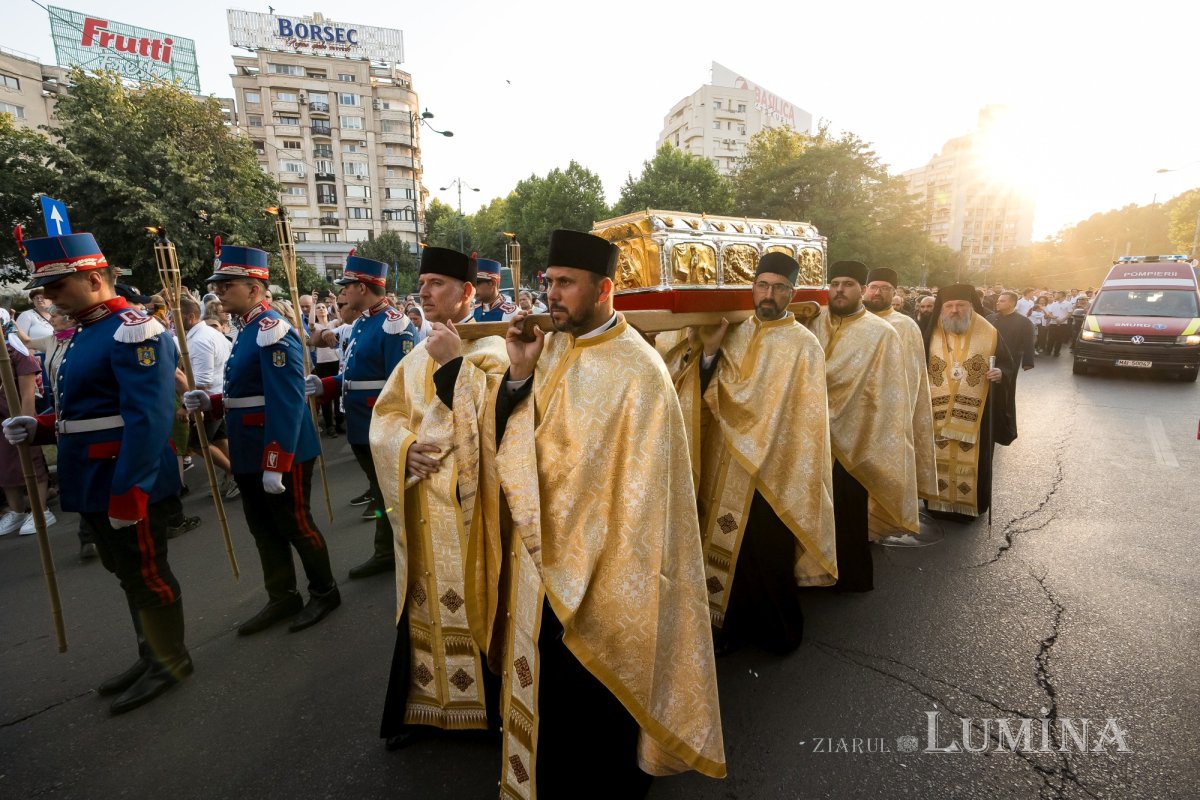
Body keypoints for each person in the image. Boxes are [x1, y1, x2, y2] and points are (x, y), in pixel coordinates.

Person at [470, 230, 725, 797]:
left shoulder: (641, 371)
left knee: (594, 709)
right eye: (549, 282)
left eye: (565, 284)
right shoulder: (551, 346)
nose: (551, 295)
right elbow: (517, 437)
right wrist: (517, 374)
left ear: (604, 288)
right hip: (541, 558)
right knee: (550, 704)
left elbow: (647, 497)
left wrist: (597, 560)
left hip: (604, 571)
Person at [4, 231, 192, 713]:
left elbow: (148, 419)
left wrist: (129, 492)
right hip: (93, 477)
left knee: (147, 572)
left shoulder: (135, 329)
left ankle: (171, 658)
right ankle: (150, 652)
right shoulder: (87, 331)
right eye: (44, 291)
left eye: (57, 287)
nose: (48, 298)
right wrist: (40, 425)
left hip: (126, 479)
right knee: (126, 572)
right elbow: (85, 411)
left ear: (92, 278)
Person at [369, 246, 509, 749]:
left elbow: (499, 426)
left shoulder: (493, 349)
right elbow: (386, 418)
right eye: (423, 282)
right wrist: (404, 451)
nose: (424, 292)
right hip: (423, 511)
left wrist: (454, 368)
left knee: (480, 601)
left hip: (472, 510)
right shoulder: (412, 356)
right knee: (424, 607)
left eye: (437, 283)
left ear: (467, 291)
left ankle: (492, 713)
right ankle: (426, 709)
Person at [666, 252, 836, 655]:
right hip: (726, 459)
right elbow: (704, 381)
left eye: (778, 288)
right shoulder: (736, 331)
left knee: (767, 553)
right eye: (763, 285)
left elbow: (806, 415)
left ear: (791, 293)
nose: (769, 294)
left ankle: (779, 634)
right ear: (753, 287)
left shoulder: (803, 345)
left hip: (773, 467)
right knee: (728, 554)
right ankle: (726, 627)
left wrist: (778, 453)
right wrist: (709, 353)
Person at [182, 243, 339, 635]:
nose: (219, 292)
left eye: (227, 284)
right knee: (263, 529)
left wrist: (276, 462)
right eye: (218, 285)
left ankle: (324, 591)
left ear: (254, 288)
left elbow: (285, 402)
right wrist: (211, 400)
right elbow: (246, 392)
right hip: (251, 448)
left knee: (296, 524)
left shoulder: (272, 330)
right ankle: (282, 596)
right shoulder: (249, 329)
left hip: (279, 450)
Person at [810, 261, 918, 591]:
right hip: (812, 432)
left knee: (847, 513)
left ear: (861, 290)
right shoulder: (814, 322)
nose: (839, 290)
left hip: (854, 438)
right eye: (835, 283)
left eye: (848, 284)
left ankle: (850, 578)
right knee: (813, 508)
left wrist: (877, 438)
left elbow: (890, 392)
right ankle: (811, 572)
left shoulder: (882, 333)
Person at [306, 255, 416, 579]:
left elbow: (402, 383)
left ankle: (392, 550)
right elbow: (352, 375)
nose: (342, 294)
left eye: (347, 287)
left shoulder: (394, 324)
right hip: (359, 422)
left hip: (380, 423)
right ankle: (391, 547)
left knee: (388, 493)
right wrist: (325, 385)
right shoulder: (362, 322)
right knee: (379, 490)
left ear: (362, 287)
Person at [921, 284, 1017, 521]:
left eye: (960, 305)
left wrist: (1001, 374)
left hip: (977, 413)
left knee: (976, 460)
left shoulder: (990, 331)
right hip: (935, 413)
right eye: (949, 306)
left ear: (971, 307)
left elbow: (1007, 363)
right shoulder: (930, 332)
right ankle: (936, 505)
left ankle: (971, 507)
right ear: (942, 309)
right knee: (935, 457)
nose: (955, 310)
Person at [862, 267, 938, 541]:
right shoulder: (849, 320)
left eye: (885, 288)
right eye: (873, 287)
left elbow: (911, 374)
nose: (878, 292)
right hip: (853, 411)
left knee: (882, 471)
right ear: (865, 290)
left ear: (895, 294)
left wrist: (895, 411)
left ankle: (877, 528)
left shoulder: (904, 326)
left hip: (886, 412)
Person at [178, 295, 237, 499]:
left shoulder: (201, 339)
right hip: (217, 397)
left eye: (175, 316)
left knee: (197, 444)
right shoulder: (205, 334)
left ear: (191, 316)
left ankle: (235, 474)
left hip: (210, 400)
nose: (171, 320)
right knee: (220, 438)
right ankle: (236, 473)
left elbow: (202, 380)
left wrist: (187, 408)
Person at [309, 297, 344, 437]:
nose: (321, 309)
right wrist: (313, 303)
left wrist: (335, 302)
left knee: (339, 394)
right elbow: (311, 323)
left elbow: (341, 320)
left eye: (323, 307)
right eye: (319, 307)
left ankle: (340, 422)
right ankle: (330, 426)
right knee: (326, 395)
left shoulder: (333, 323)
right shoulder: (316, 327)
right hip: (322, 364)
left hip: (336, 360)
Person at [988, 291, 1036, 382]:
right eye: (998, 300)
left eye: (1002, 301)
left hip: (1011, 359)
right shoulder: (990, 318)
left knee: (1007, 385)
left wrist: (1028, 362)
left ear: (1011, 303)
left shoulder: (1024, 322)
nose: (997, 303)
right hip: (990, 357)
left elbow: (1029, 342)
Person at [471, 258, 517, 322]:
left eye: (477, 283)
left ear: (493, 283)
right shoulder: (472, 312)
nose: (473, 288)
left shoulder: (511, 314)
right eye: (472, 284)